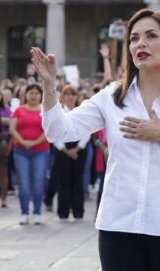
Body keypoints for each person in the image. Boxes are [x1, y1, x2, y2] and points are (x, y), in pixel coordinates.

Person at [32, 8, 160, 271]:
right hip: (119, 224)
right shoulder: (112, 97)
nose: (140, 43)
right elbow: (59, 131)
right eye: (134, 38)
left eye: (151, 35)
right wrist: (50, 88)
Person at [10, 83, 50, 225]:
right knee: (24, 183)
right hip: (21, 151)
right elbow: (12, 128)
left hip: (41, 151)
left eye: (36, 93)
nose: (33, 95)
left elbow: (49, 130)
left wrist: (34, 143)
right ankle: (24, 212)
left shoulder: (45, 110)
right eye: (30, 93)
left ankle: (37, 212)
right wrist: (23, 141)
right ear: (25, 95)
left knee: (39, 182)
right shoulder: (19, 110)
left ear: (41, 96)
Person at [53, 85, 89, 222]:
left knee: (78, 180)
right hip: (62, 149)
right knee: (64, 181)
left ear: (77, 97)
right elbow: (55, 133)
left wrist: (77, 148)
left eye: (72, 94)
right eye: (67, 94)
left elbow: (87, 130)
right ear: (62, 97)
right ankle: (63, 213)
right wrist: (65, 150)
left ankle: (78, 212)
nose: (70, 97)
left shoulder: (82, 112)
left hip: (79, 148)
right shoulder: (59, 112)